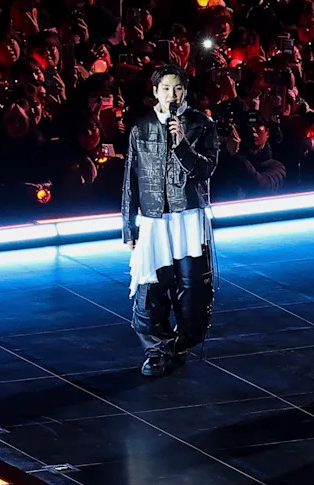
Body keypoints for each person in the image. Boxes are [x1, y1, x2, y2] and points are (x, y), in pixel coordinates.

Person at [122, 64, 219, 377]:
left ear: (185, 91)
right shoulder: (142, 129)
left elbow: (206, 170)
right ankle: (157, 349)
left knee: (193, 289)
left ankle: (180, 345)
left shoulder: (201, 124)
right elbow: (130, 180)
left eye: (177, 88)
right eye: (165, 88)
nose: (171, 95)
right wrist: (128, 227)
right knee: (150, 288)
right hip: (153, 217)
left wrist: (182, 145)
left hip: (188, 215)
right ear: (155, 92)